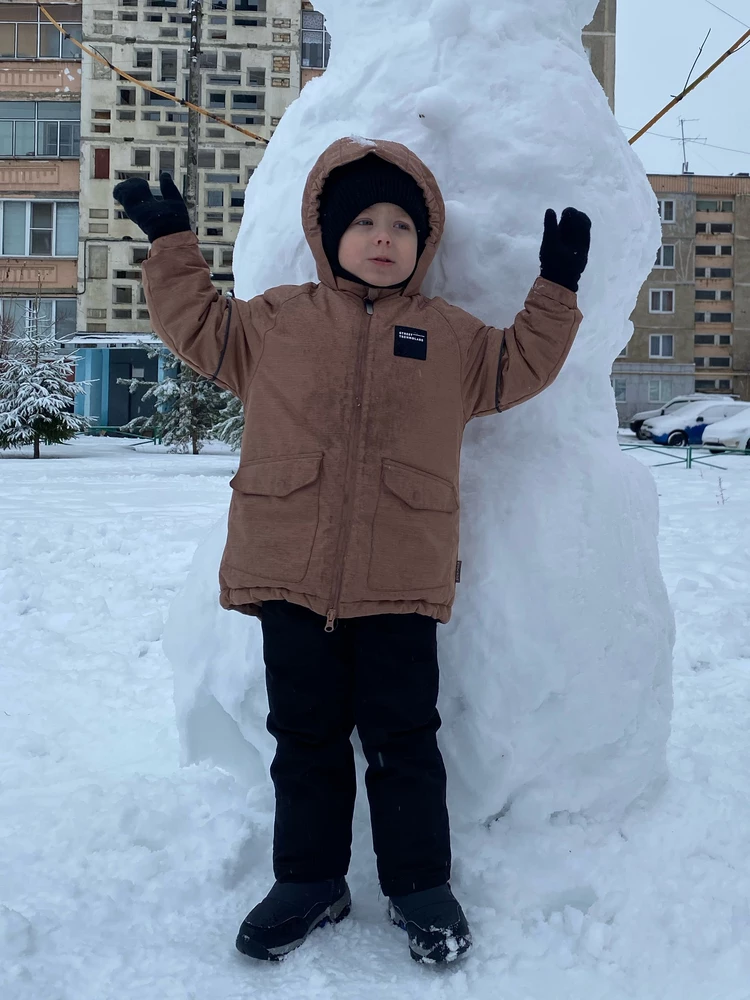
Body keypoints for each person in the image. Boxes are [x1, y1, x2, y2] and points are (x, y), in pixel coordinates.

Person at [113, 137, 589, 965]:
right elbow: (196, 325)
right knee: (305, 735)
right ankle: (307, 879)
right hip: (289, 568)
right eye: (362, 221)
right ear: (326, 233)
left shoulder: (455, 337)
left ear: (423, 241)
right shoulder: (275, 323)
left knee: (405, 737)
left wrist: (556, 287)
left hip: (400, 576)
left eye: (400, 225)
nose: (381, 237)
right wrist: (171, 246)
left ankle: (419, 884)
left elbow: (522, 365)